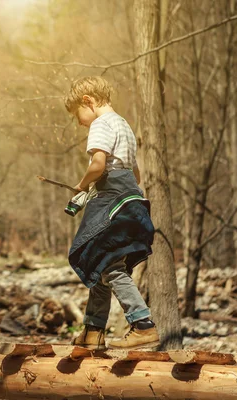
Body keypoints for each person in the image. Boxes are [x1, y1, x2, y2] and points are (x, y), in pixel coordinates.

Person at [64, 76, 159, 350]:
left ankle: (143, 325)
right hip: (131, 200)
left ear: (88, 102)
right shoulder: (124, 125)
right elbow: (136, 173)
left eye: (77, 115)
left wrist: (82, 185)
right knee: (101, 260)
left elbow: (97, 164)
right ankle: (93, 331)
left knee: (109, 264)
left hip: (112, 201)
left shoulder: (100, 124)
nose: (79, 122)